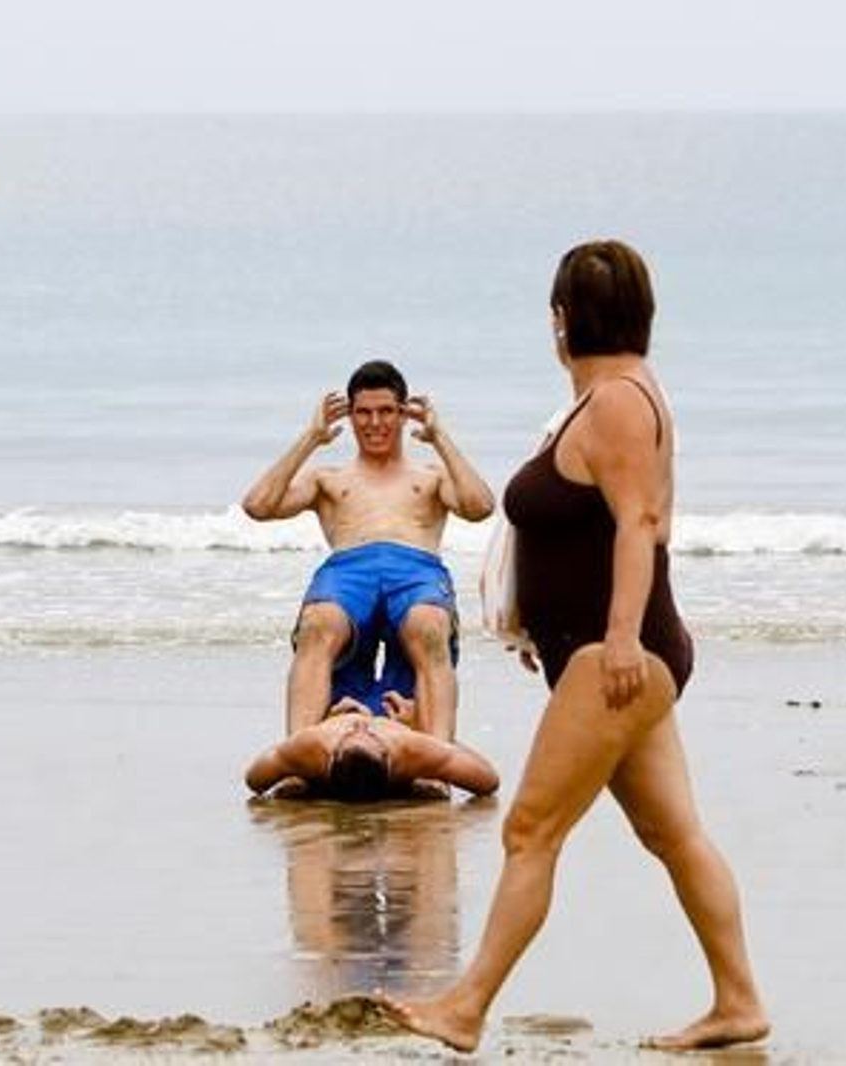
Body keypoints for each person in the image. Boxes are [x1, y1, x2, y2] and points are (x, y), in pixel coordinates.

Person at [386, 239, 768, 1052]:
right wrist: (539, 623)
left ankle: (465, 1007)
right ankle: (739, 1002)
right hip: (606, 650)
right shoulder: (613, 398)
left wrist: (620, 638)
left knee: (530, 830)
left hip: (615, 655)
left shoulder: (622, 402)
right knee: (674, 835)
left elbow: (640, 522)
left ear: (561, 320)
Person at [242, 359, 494, 741]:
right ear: (351, 415)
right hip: (348, 572)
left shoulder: (431, 476)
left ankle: (439, 758)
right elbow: (258, 505)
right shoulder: (328, 478)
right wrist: (311, 437)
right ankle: (298, 752)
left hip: (416, 570)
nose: (374, 422)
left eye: (386, 411)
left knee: (429, 624)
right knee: (318, 623)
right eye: (363, 412)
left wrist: (440, 437)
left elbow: (480, 507)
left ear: (404, 414)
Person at [244, 698, 499, 800]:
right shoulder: (411, 751)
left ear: (331, 758)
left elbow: (254, 779)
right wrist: (423, 727)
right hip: (398, 709)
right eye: (366, 733)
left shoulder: (314, 747)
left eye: (350, 734)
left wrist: (323, 722)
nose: (360, 724)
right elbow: (488, 781)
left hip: (342, 701)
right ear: (389, 759)